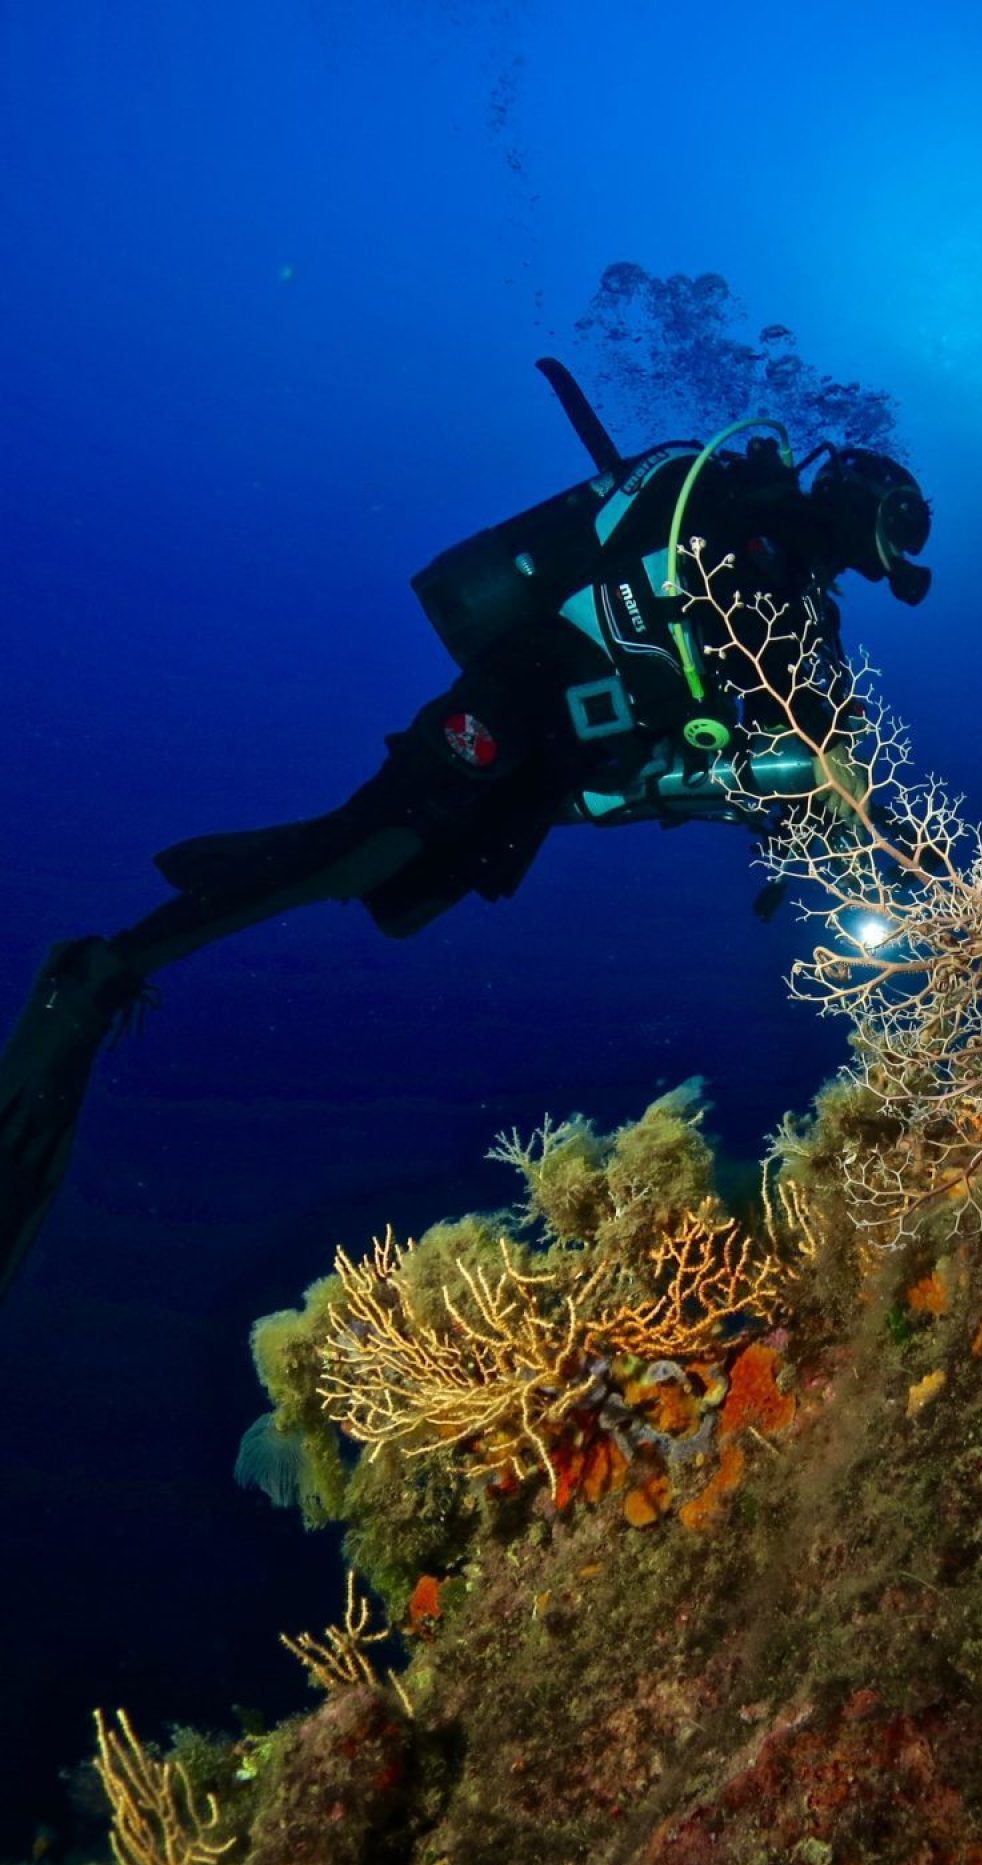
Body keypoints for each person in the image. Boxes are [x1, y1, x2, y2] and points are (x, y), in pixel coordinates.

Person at [0, 359, 932, 1302]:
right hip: (523, 691)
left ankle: (299, 852)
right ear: (853, 493)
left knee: (404, 896)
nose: (895, 549)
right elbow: (665, 609)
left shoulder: (804, 612)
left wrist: (872, 823)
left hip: (565, 767)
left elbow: (816, 747)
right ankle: (106, 966)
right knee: (378, 847)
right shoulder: (733, 501)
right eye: (901, 521)